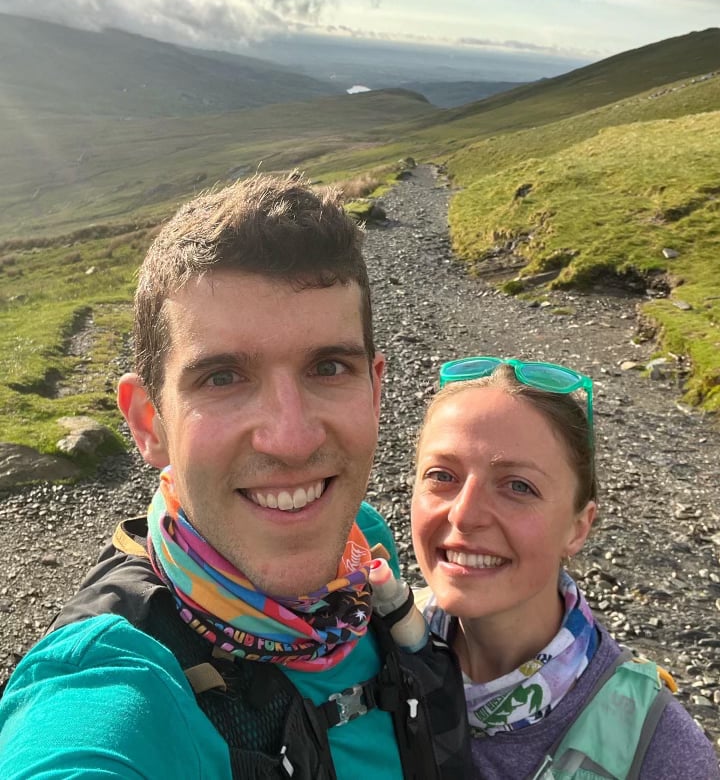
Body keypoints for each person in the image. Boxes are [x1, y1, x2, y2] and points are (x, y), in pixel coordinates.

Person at [0, 176, 468, 779]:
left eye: (328, 367)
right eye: (222, 378)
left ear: (376, 390)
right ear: (149, 422)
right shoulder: (114, 679)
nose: (292, 438)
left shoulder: (361, 540)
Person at [411, 356, 719, 780]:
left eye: (518, 486)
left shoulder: (659, 753)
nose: (464, 515)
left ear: (578, 528)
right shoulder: (361, 646)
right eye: (442, 475)